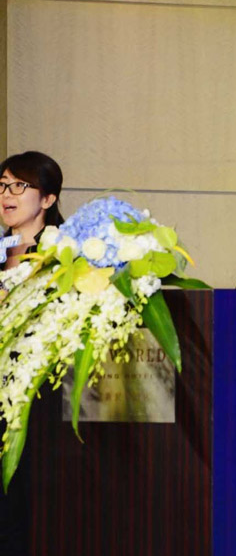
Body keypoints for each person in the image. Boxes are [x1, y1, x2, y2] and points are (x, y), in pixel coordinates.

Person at [0, 150, 64, 556]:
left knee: (20, 519)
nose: (7, 194)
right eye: (2, 185)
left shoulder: (65, 255)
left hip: (35, 410)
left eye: (20, 186)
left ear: (48, 198)